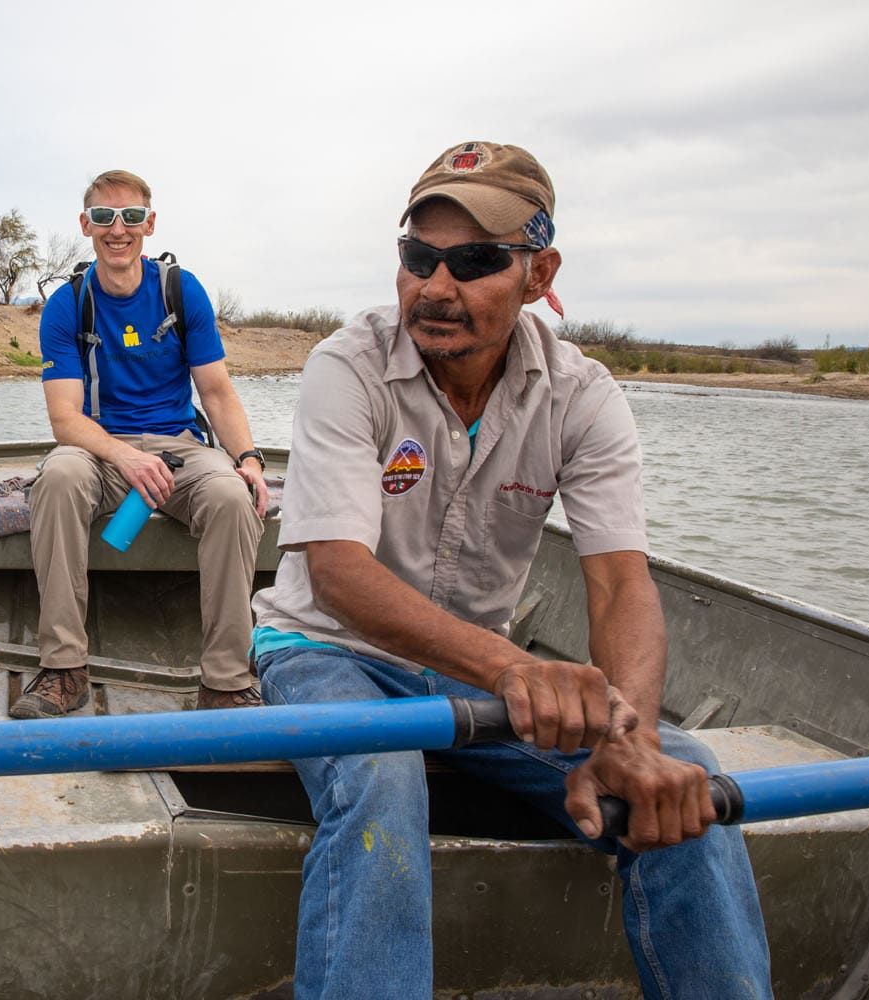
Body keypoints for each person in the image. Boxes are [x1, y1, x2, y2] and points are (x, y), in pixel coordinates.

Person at [250, 142, 772, 998]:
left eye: (476, 261)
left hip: (468, 672)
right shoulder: (347, 366)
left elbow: (619, 584)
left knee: (682, 788)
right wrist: (526, 674)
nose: (436, 286)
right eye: (418, 259)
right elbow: (340, 575)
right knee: (383, 783)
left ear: (539, 273)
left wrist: (625, 738)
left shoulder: (584, 395)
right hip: (322, 649)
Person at [11, 169, 269, 719]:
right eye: (104, 217)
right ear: (86, 225)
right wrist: (126, 457)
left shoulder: (182, 290)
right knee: (56, 478)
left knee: (230, 496)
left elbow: (218, 392)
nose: (118, 229)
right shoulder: (66, 305)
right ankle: (63, 670)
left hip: (180, 445)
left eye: (130, 216)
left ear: (150, 223)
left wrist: (247, 458)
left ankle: (225, 681)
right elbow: (64, 419)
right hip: (101, 448)